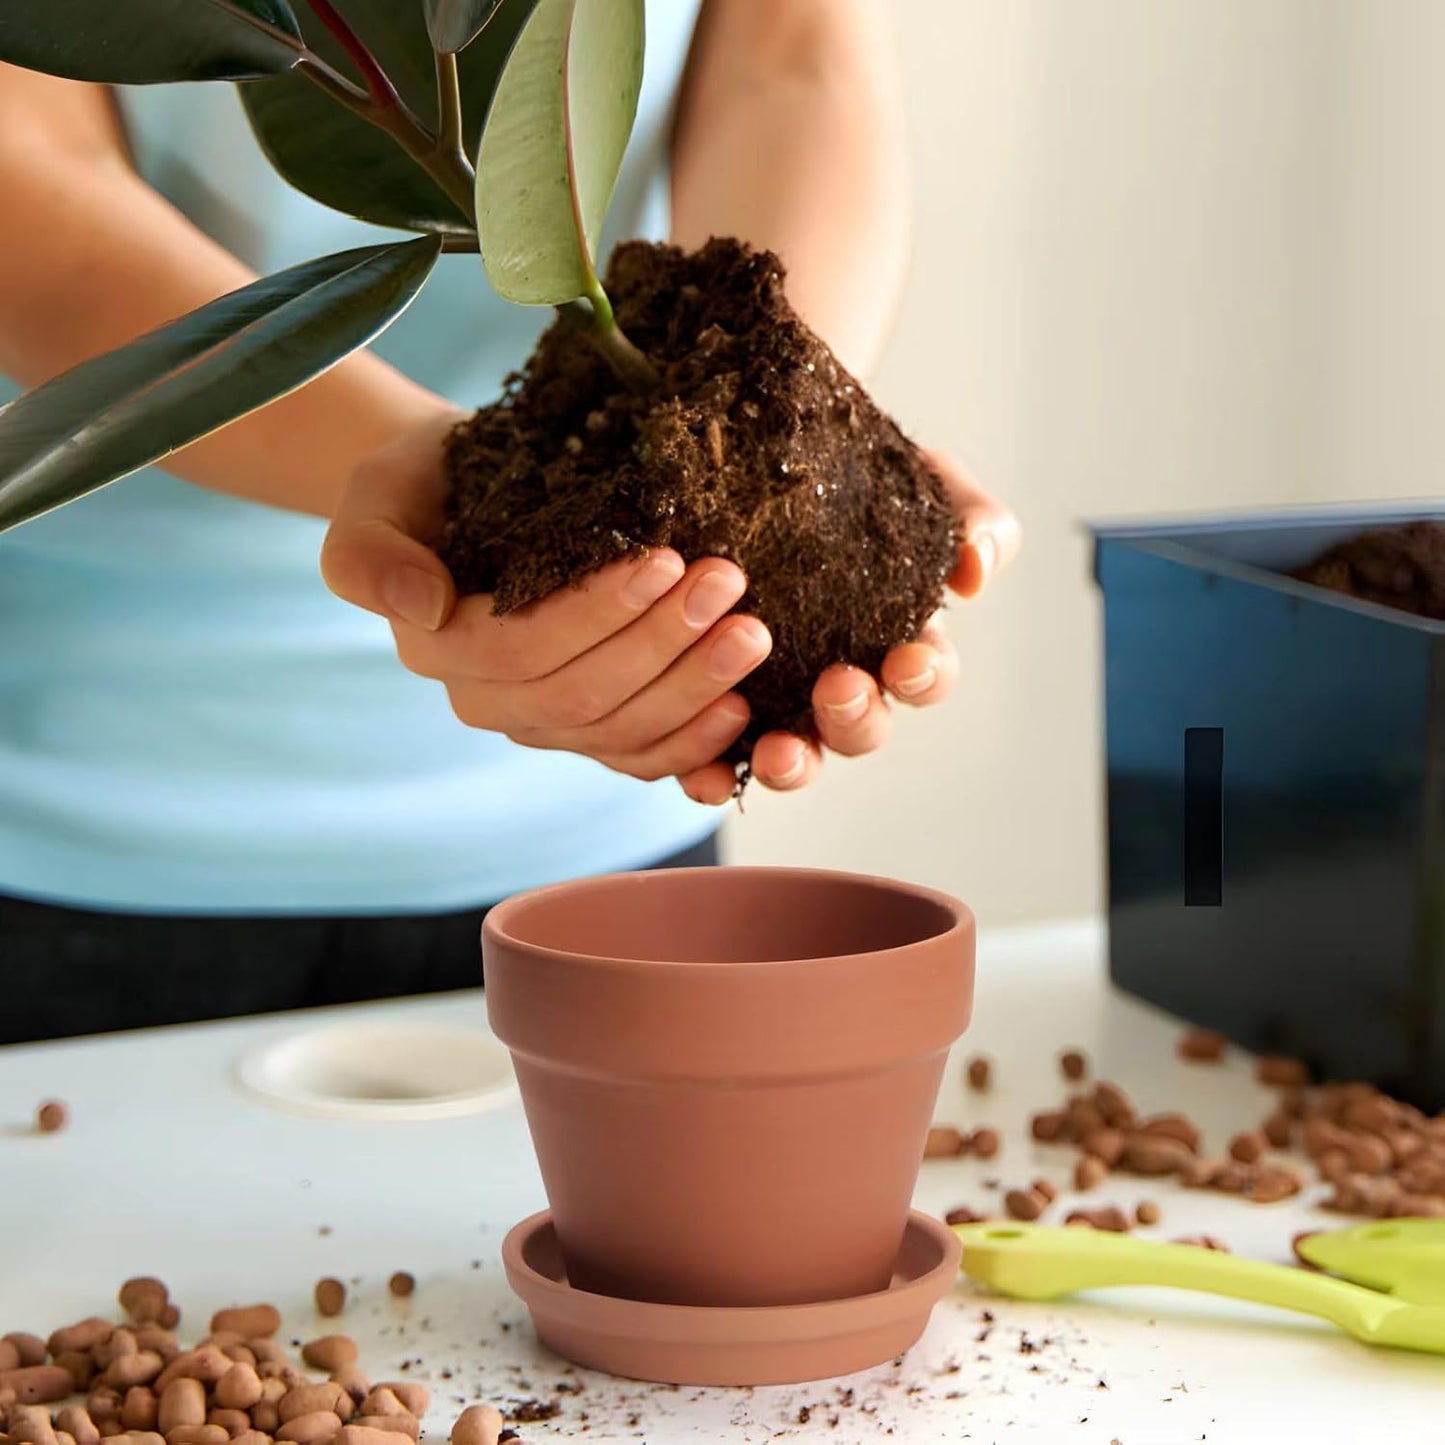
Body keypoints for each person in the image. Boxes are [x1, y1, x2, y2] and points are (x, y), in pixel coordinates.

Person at [0, 0, 1020, 1044]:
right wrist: (454, 480)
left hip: (616, 807)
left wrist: (791, 428)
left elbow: (786, 53)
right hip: (101, 799)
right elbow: (23, 170)